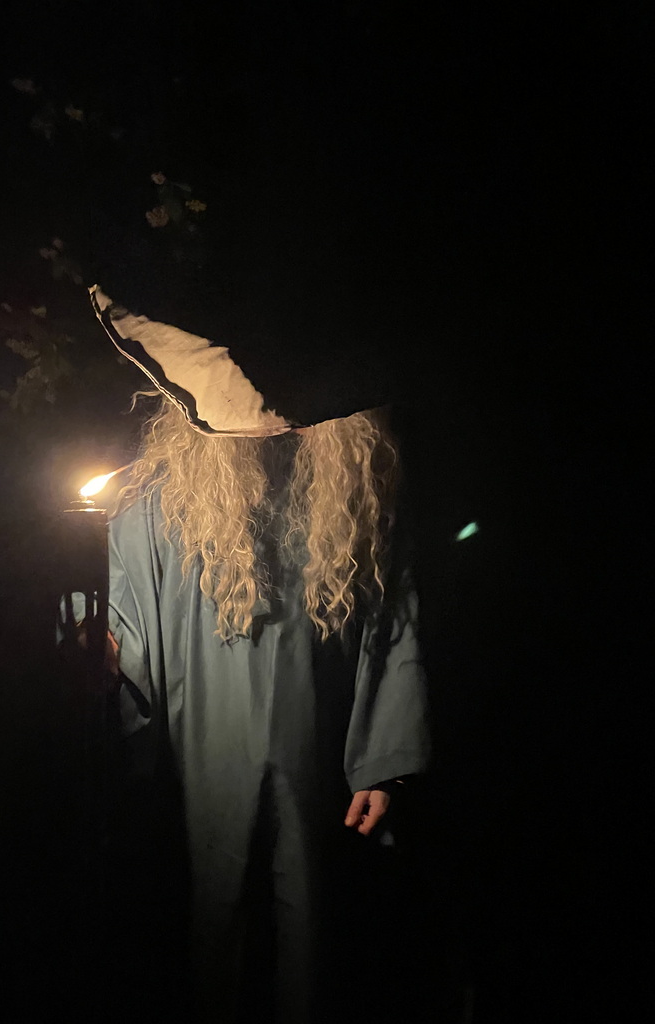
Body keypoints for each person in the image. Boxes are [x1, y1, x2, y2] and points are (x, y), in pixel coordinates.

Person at [95, 338, 430, 1021]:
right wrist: (91, 652)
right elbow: (119, 622)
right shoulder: (154, 495)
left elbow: (394, 620)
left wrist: (382, 762)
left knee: (312, 923)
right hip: (200, 747)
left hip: (318, 743)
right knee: (208, 913)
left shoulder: (356, 488)